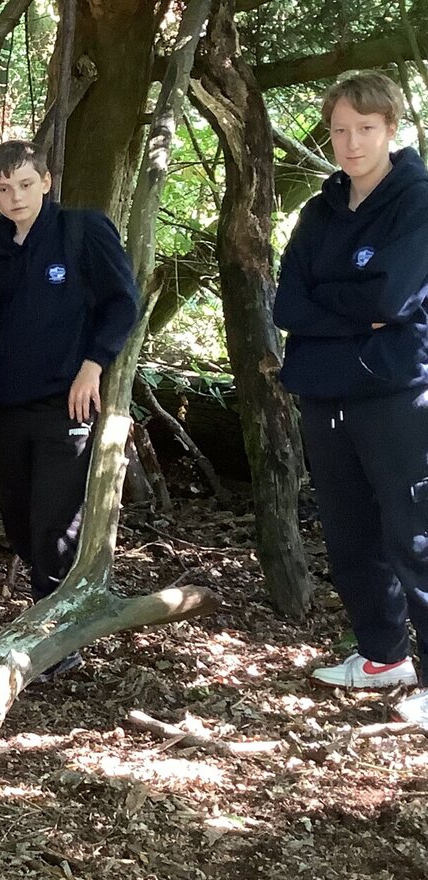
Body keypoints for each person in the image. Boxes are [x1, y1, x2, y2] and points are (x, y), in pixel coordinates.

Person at [272, 72, 428, 726]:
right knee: (348, 531)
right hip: (325, 393)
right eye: (339, 129)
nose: (351, 142)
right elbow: (287, 304)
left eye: (365, 128)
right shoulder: (319, 210)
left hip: (395, 391)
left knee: (412, 532)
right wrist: (350, 306)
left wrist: (329, 305)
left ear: (391, 129)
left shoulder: (417, 202)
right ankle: (382, 654)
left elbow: (390, 298)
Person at [0, 140, 138, 677]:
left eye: (24, 184)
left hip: (67, 399)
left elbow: (122, 303)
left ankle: (60, 637)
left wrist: (93, 365)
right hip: (7, 403)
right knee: (18, 520)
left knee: (55, 519)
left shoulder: (82, 231)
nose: (15, 197)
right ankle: (44, 613)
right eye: (2, 188)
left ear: (45, 181)